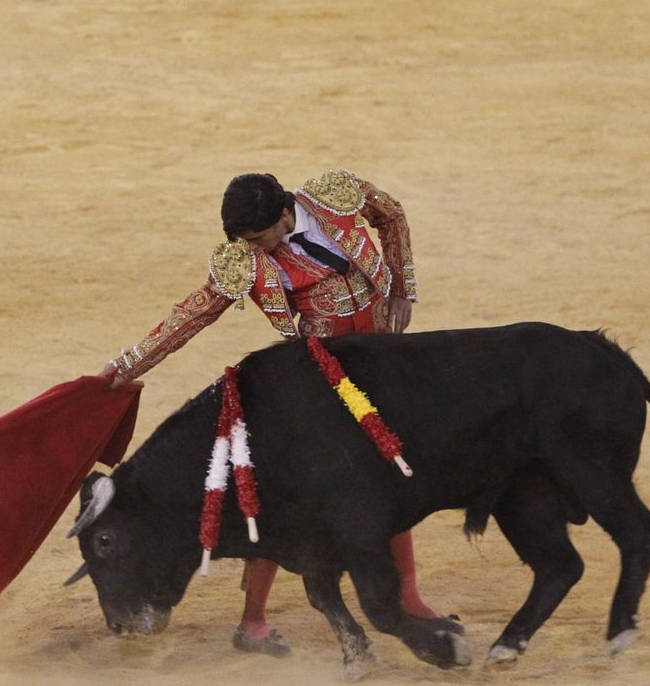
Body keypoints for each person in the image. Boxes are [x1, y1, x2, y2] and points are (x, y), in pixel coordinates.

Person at [97, 169, 438, 656]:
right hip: (326, 378)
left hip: (383, 359)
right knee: (285, 498)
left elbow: (392, 215)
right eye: (245, 242)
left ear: (284, 214)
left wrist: (403, 286)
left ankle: (409, 596)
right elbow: (191, 315)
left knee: (393, 471)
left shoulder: (334, 197)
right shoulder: (246, 261)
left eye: (259, 239)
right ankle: (253, 622)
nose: (253, 251)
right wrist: (126, 365)